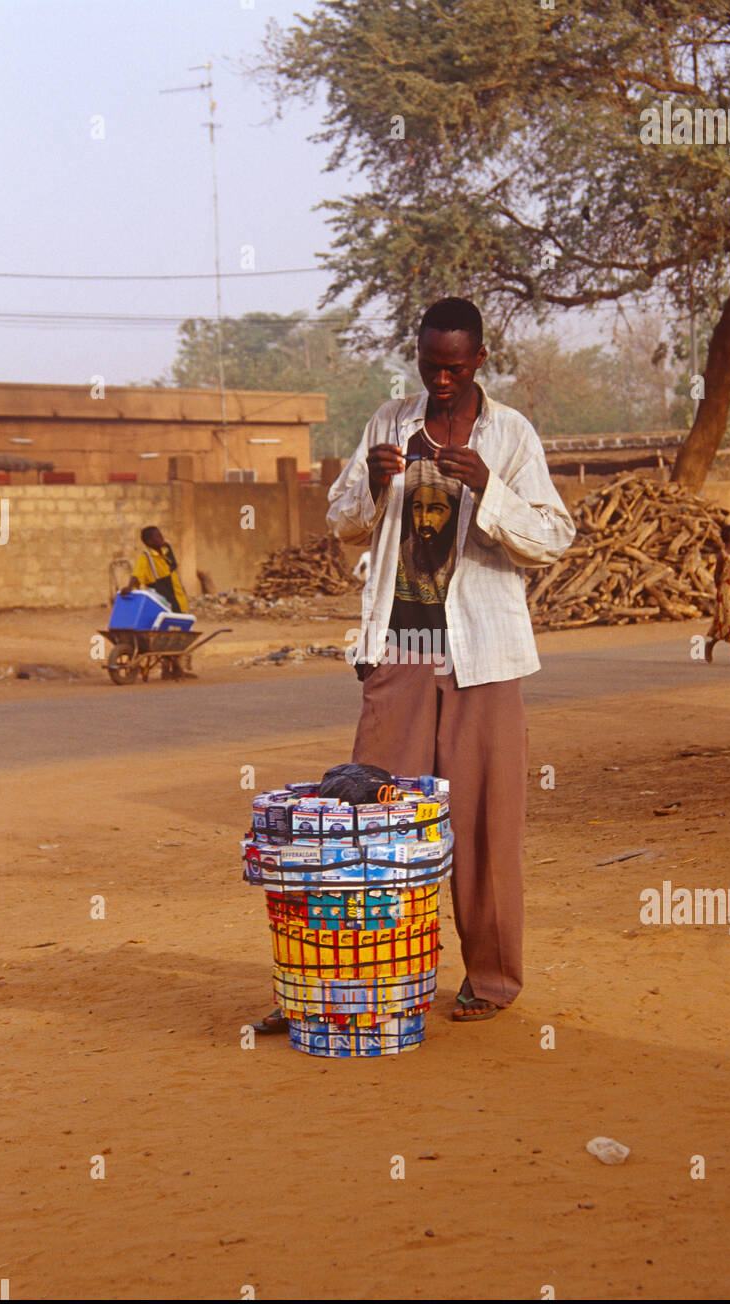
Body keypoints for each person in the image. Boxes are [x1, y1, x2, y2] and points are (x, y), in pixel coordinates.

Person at [256, 296, 574, 1031]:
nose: (439, 379)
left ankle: (490, 980)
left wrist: (488, 491)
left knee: (485, 824)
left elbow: (554, 535)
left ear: (478, 363)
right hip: (400, 648)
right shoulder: (387, 422)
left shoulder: (511, 435)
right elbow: (338, 522)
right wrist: (371, 483)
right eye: (429, 365)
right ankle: (346, 980)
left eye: (453, 367)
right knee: (368, 822)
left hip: (482, 655)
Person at [121, 525, 195, 679]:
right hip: (163, 599)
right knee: (167, 633)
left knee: (180, 632)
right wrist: (129, 586)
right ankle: (168, 668)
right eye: (157, 537)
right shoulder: (147, 556)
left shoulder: (167, 550)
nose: (161, 539)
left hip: (177, 595)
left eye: (161, 535)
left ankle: (176, 667)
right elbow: (137, 573)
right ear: (148, 541)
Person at [706, 523, 730, 666]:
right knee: (727, 622)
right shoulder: (723, 556)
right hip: (726, 592)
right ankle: (711, 644)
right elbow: (717, 574)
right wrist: (721, 591)